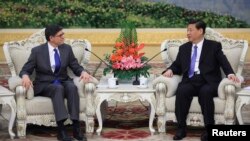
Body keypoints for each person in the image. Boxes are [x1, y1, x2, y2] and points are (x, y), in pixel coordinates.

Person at [162, 19, 240, 141]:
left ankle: (209, 129)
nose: (188, 33)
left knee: (205, 92)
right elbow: (177, 64)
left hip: (208, 81)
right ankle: (181, 128)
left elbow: (223, 61)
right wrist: (170, 70)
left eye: (191, 30)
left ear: (200, 31)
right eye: (187, 30)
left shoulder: (214, 46)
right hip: (191, 80)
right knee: (182, 91)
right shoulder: (184, 48)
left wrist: (230, 73)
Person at [20, 25, 92, 141]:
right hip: (45, 84)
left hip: (63, 80)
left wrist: (83, 72)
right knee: (57, 88)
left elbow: (75, 66)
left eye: (63, 34)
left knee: (72, 87)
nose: (63, 37)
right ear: (51, 38)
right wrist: (25, 76)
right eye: (60, 35)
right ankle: (61, 129)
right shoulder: (37, 51)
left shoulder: (66, 49)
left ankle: (76, 127)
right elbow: (26, 69)